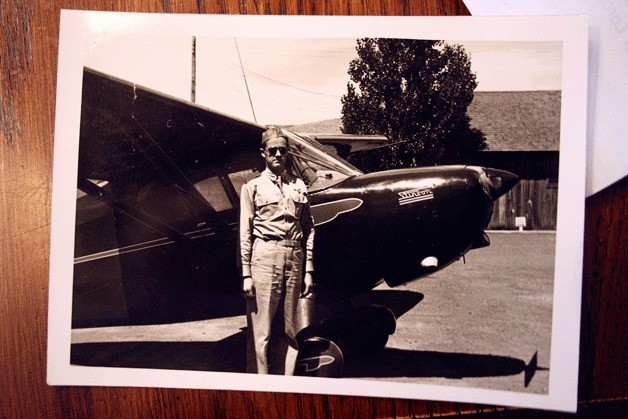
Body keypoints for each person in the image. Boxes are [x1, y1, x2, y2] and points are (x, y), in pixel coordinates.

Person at [239, 126, 315, 375]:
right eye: (273, 150)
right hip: (265, 258)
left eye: (283, 150)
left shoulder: (299, 186)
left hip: (294, 258)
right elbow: (246, 233)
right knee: (261, 334)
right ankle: (259, 390)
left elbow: (309, 228)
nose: (278, 155)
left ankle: (284, 388)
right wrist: (246, 273)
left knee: (289, 331)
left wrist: (309, 270)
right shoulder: (252, 188)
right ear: (263, 153)